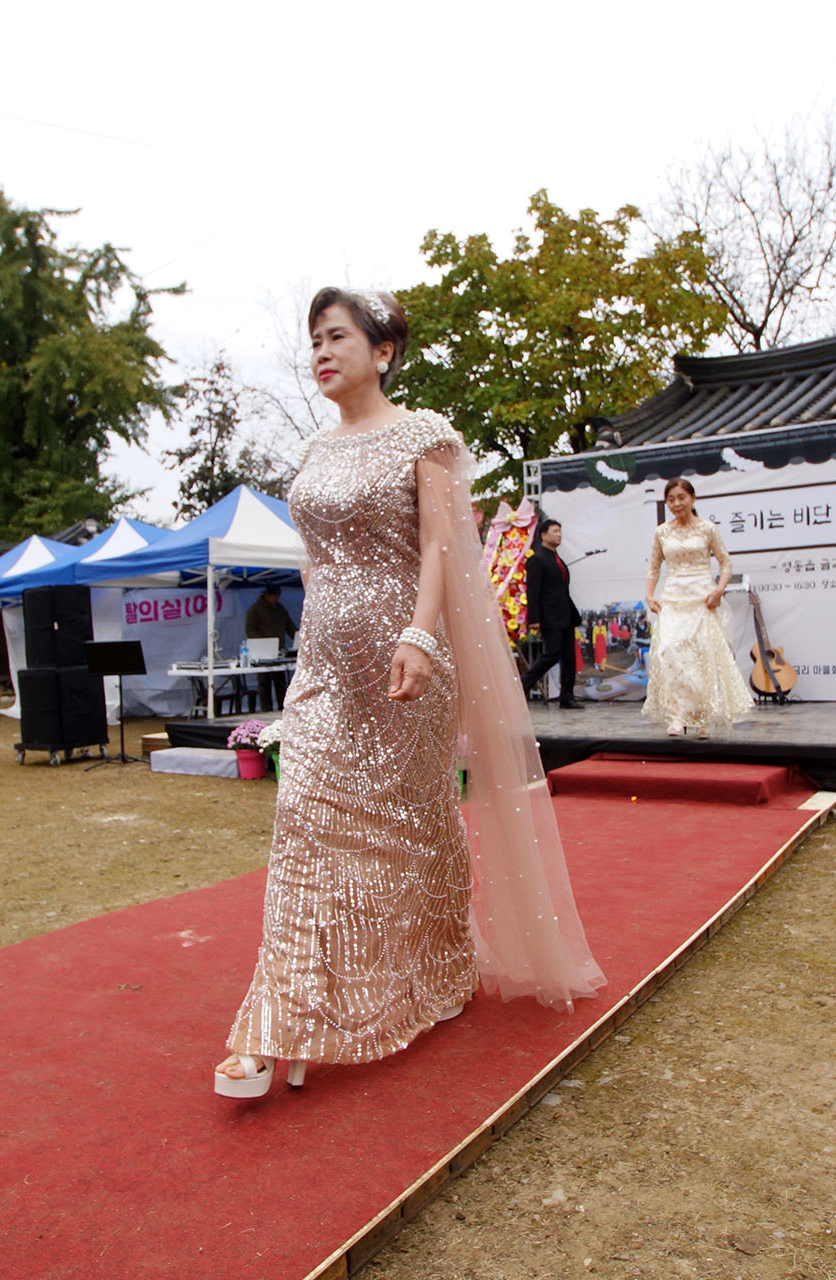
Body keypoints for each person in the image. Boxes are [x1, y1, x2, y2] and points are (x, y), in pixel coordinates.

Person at [214, 287, 603, 1098]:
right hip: (326, 666)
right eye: (314, 341)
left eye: (336, 337)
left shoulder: (425, 436)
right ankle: (281, 1018)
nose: (321, 353)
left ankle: (441, 967)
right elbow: (314, 557)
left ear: (383, 350)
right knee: (302, 818)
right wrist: (320, 626)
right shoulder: (315, 450)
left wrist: (421, 635)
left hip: (408, 660)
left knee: (416, 823)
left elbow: (439, 550)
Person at [642, 478, 755, 737]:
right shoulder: (662, 532)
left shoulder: (707, 529)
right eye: (671, 499)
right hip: (673, 598)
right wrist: (649, 595)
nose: (676, 504)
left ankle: (701, 716)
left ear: (692, 499)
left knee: (701, 656)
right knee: (669, 651)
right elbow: (654, 566)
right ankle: (677, 715)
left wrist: (719, 590)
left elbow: (726, 563)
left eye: (681, 497)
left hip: (702, 598)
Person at [522, 518, 584, 708]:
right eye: (555, 531)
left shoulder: (557, 559)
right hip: (549, 616)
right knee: (551, 654)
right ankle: (522, 686)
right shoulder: (537, 559)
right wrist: (534, 619)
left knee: (569, 657)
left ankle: (567, 697)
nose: (559, 535)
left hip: (565, 615)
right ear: (543, 535)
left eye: (560, 532)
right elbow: (532, 591)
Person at [243, 584, 297, 709]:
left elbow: (290, 627)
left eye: (277, 596)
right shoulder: (255, 609)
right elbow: (250, 630)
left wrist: (299, 637)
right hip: (262, 653)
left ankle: (283, 708)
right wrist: (263, 642)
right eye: (274, 596)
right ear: (267, 595)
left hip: (278, 652)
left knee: (280, 682)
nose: (276, 599)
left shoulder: (280, 609)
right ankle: (266, 709)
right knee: (264, 683)